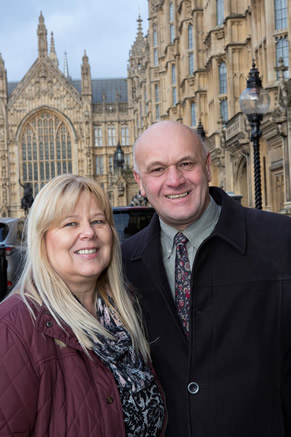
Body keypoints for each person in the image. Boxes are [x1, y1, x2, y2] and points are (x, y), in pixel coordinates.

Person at [121, 120, 291, 437]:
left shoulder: (280, 241)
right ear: (140, 182)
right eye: (157, 170)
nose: (174, 180)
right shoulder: (121, 265)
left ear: (208, 166)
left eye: (186, 163)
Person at [0, 174, 166, 436]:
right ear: (42, 239)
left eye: (98, 221)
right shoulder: (13, 327)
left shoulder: (126, 312)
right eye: (70, 223)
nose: (88, 232)